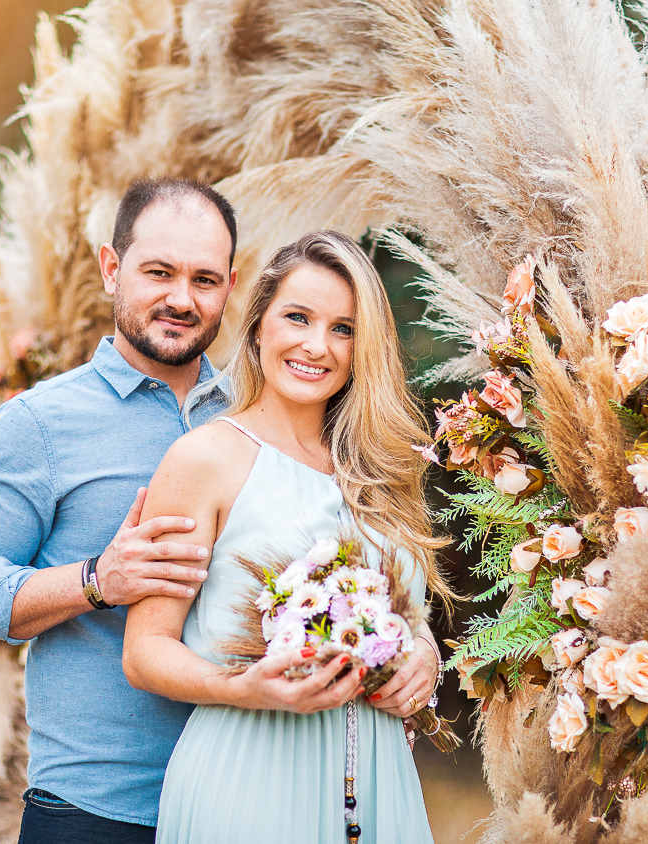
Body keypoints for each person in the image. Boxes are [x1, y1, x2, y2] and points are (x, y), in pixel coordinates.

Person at [0, 178, 242, 843]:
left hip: (242, 801)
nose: (182, 299)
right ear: (111, 268)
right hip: (95, 814)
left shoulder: (258, 417)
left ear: (231, 286)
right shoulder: (39, 424)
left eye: (204, 280)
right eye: (159, 272)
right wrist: (97, 579)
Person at [122, 230, 451, 844]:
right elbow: (144, 652)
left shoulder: (381, 470)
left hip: (382, 785)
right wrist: (239, 687)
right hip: (249, 782)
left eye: (343, 329)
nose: (315, 345)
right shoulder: (205, 459)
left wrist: (424, 658)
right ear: (257, 326)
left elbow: (410, 613)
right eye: (297, 317)